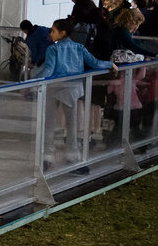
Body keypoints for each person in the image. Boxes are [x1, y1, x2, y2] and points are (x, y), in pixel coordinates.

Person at [32, 18, 117, 170]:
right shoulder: (79, 47)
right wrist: (110, 64)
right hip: (73, 89)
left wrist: (31, 82)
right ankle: (73, 154)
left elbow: (48, 71)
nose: (50, 34)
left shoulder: (53, 49)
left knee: (49, 123)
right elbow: (96, 63)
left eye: (53, 30)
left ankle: (47, 155)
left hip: (54, 89)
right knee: (72, 124)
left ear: (62, 32)